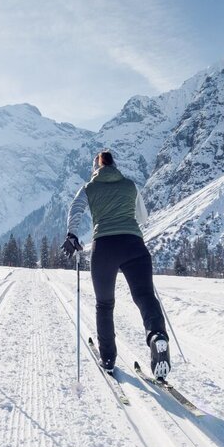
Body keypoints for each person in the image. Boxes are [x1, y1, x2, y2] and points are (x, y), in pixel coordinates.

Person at [62, 150, 170, 378]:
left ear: (96, 168)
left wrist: (72, 235)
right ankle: (157, 336)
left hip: (105, 248)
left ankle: (108, 358)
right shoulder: (130, 185)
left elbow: (76, 208)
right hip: (134, 245)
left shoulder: (89, 187)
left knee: (104, 305)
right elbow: (142, 218)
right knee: (145, 297)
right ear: (114, 166)